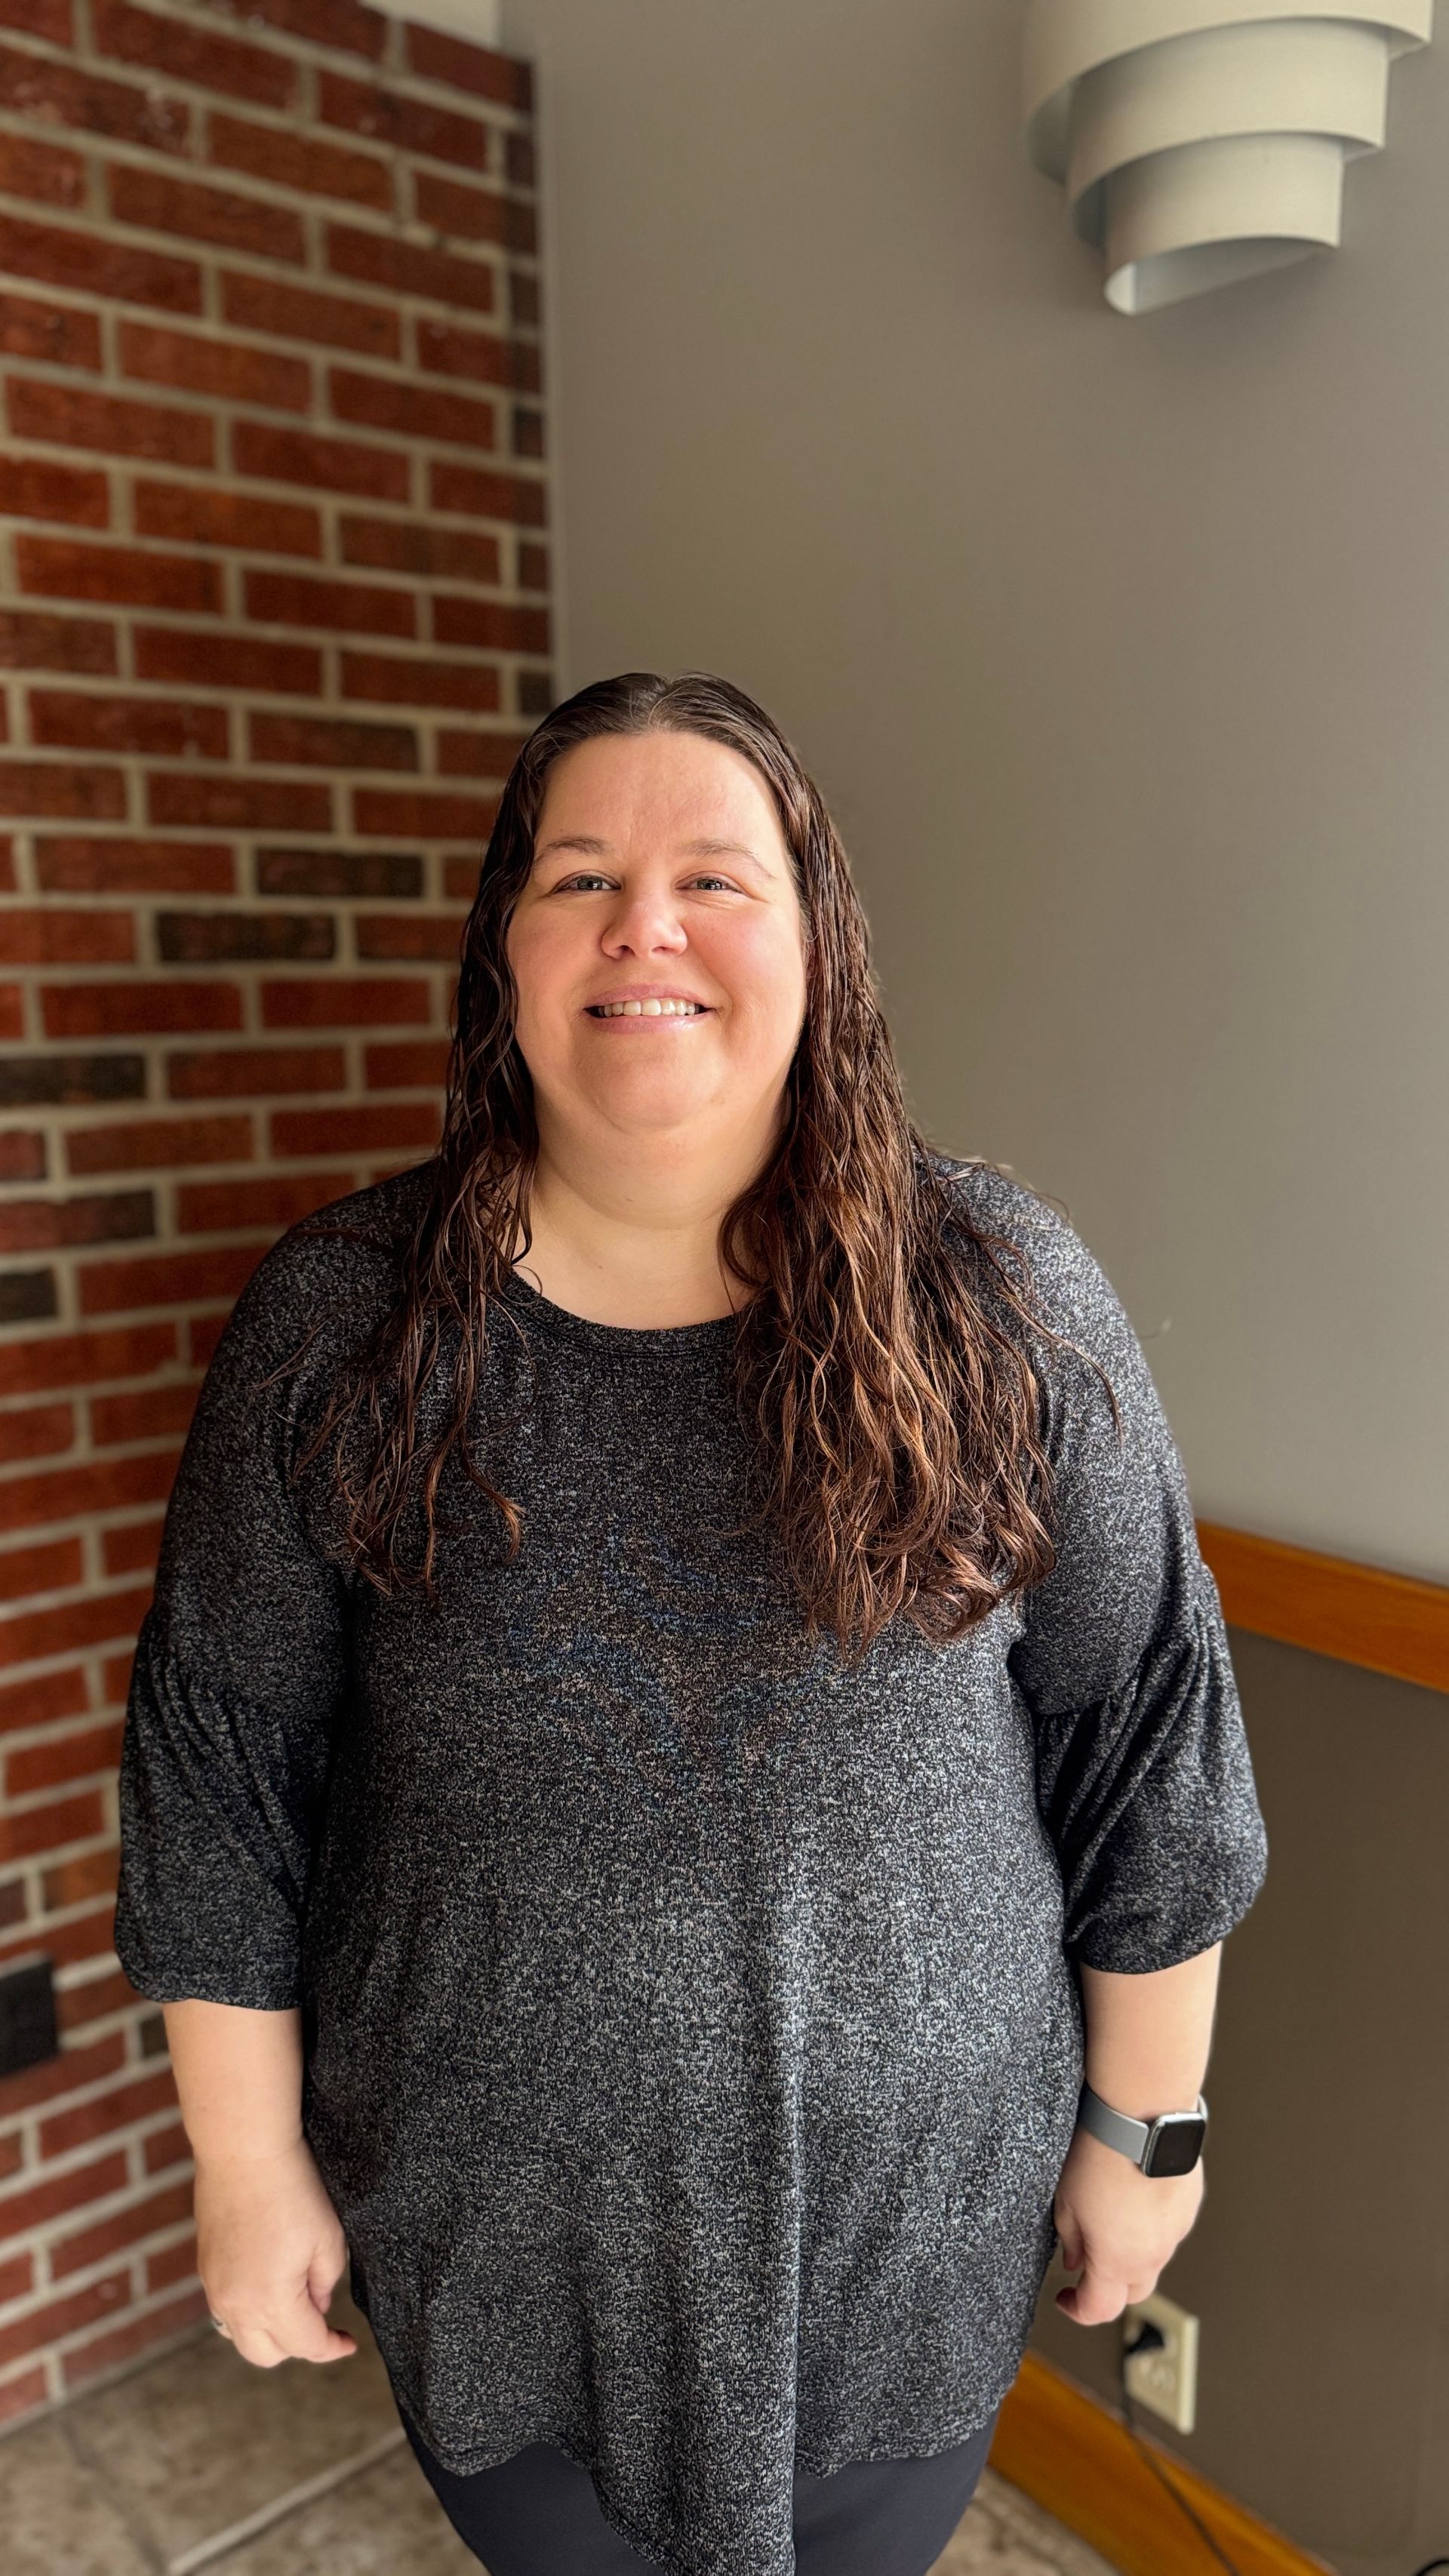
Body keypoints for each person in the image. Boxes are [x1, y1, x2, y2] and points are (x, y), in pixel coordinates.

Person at [114, 670, 1269, 2576]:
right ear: (507, 953)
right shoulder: (342, 1327)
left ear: (819, 946)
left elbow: (1147, 1739)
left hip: (909, 2252)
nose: (643, 924)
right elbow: (223, 1773)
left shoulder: (1001, 1300)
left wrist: (1149, 2138)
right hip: (494, 2257)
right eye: (579, 877)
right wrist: (245, 2169)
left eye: (715, 877)